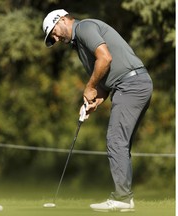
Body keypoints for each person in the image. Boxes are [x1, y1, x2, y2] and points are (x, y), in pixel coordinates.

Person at [42, 9, 153, 212]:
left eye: (54, 32)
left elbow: (105, 58)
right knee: (120, 142)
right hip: (131, 84)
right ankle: (124, 198)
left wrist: (90, 87)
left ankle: (122, 198)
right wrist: (95, 101)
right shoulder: (79, 45)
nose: (56, 38)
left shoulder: (84, 28)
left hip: (131, 85)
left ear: (63, 19)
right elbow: (106, 80)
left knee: (115, 140)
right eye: (52, 38)